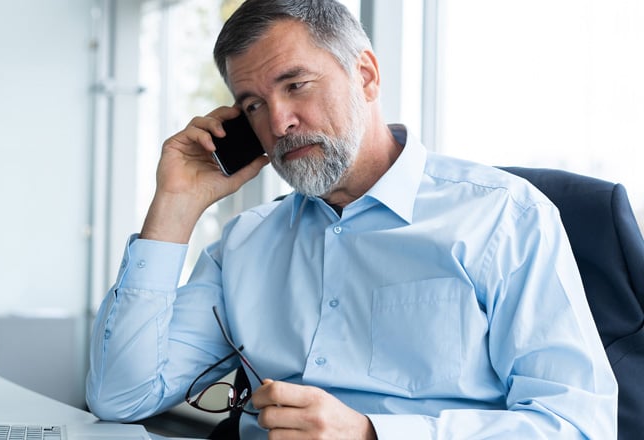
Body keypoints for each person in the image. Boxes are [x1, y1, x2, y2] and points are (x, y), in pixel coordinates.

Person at [85, 0, 618, 438]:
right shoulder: (244, 244)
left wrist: (371, 433)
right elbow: (121, 396)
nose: (279, 122)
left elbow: (577, 425)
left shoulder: (505, 217)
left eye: (296, 85)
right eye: (251, 105)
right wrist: (174, 209)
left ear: (365, 75)